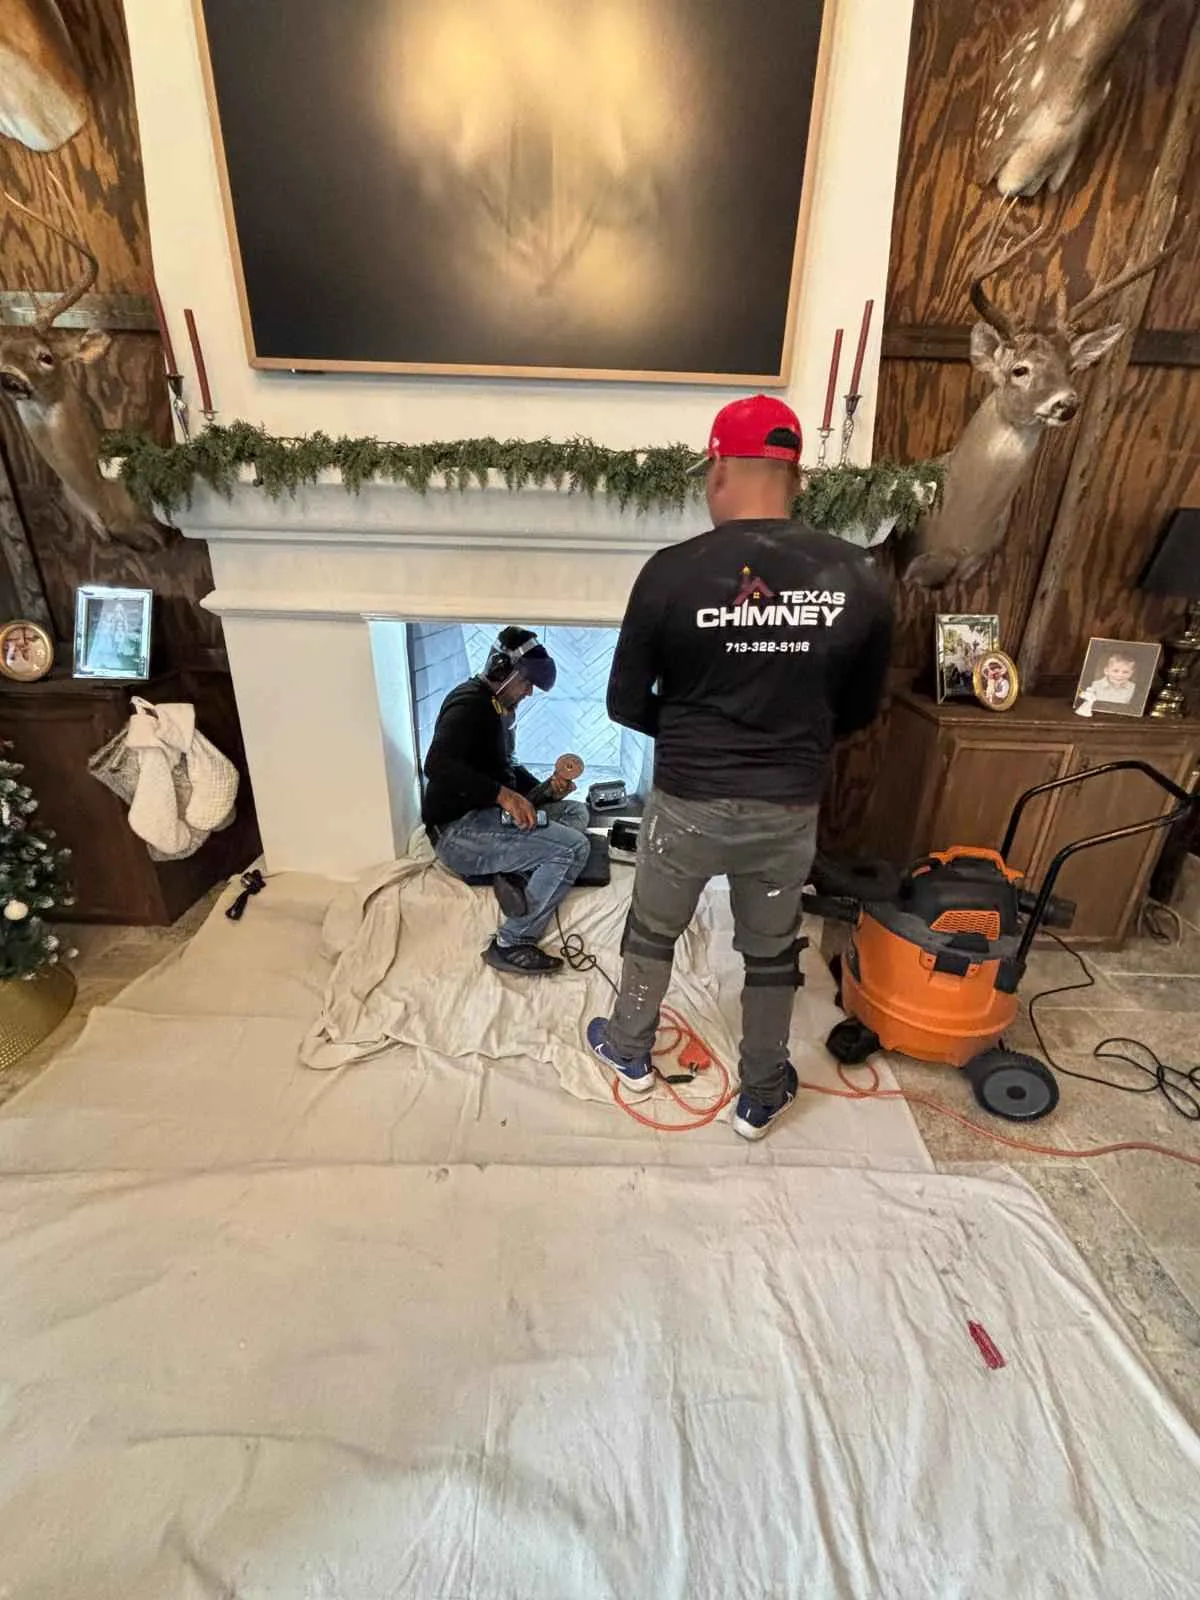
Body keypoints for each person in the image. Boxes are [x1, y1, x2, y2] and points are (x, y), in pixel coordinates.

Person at [587, 394, 894, 1139]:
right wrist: (788, 741)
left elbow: (623, 701)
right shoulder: (859, 574)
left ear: (718, 467)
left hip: (687, 803)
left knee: (653, 929)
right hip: (786, 807)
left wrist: (694, 736)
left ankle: (629, 1047)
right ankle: (760, 1092)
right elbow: (860, 710)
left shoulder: (670, 572)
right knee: (770, 950)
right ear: (797, 476)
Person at [423, 626, 591, 975]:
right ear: (502, 669)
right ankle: (512, 943)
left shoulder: (498, 708)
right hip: (459, 832)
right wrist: (503, 796)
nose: (529, 692)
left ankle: (515, 871)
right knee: (572, 848)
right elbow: (437, 764)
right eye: (526, 682)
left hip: (487, 818)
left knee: (575, 812)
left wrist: (546, 789)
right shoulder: (469, 704)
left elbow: (506, 768)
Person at [1075, 650, 1138, 717]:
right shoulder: (1095, 685)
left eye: (1125, 672)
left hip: (1120, 716)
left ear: (1131, 673)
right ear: (1106, 671)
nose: (1120, 675)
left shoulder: (1133, 687)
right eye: (1115, 671)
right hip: (1097, 714)